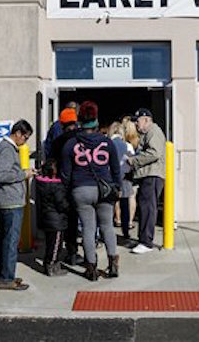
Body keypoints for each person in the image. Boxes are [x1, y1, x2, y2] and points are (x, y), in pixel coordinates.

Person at [60, 101, 121, 281]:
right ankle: (113, 263)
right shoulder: (107, 142)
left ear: (79, 121)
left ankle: (91, 268)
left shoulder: (71, 144)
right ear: (96, 121)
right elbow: (116, 169)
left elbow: (65, 174)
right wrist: (116, 187)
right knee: (107, 226)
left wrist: (68, 190)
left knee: (88, 228)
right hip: (104, 189)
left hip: (81, 189)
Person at [0, 119, 35, 290]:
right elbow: (1, 175)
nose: (25, 141)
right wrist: (23, 174)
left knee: (7, 240)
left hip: (9, 201)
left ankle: (5, 274)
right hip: (10, 202)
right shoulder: (7, 149)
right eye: (25, 137)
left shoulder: (8, 148)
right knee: (11, 242)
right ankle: (6, 278)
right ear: (17, 133)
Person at [128, 108, 166, 254]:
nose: (136, 125)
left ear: (146, 120)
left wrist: (134, 161)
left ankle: (146, 242)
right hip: (148, 174)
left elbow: (155, 152)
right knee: (145, 207)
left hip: (153, 175)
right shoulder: (147, 133)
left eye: (137, 121)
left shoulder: (154, 132)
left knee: (148, 208)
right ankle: (143, 239)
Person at [49, 107, 83, 265]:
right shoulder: (83, 139)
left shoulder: (58, 142)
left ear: (62, 124)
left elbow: (51, 163)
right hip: (81, 183)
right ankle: (79, 253)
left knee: (64, 220)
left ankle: (68, 251)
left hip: (63, 185)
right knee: (80, 219)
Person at [34, 159, 69, 277]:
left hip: (47, 217)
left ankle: (51, 264)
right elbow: (61, 203)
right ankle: (51, 265)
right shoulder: (56, 186)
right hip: (56, 219)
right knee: (56, 245)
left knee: (50, 243)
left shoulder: (40, 184)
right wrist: (68, 207)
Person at [109, 122, 136, 243]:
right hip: (125, 178)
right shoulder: (127, 146)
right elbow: (132, 163)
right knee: (125, 206)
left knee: (109, 207)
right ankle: (125, 232)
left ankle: (107, 231)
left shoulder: (107, 144)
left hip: (110, 179)